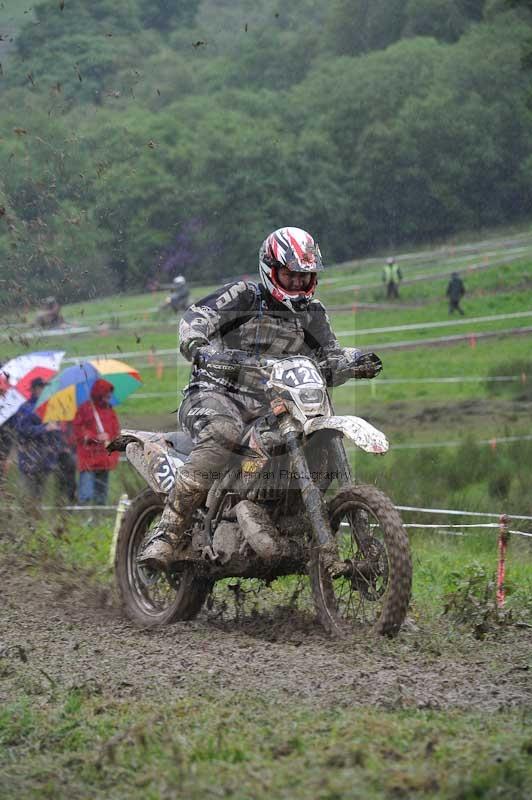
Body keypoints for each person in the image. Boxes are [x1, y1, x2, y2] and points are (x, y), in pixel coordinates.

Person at [139, 226, 383, 571]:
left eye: (305, 276)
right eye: (290, 274)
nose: (298, 283)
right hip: (215, 394)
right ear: (270, 269)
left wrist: (352, 363)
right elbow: (195, 318)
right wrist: (198, 345)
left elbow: (328, 357)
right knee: (223, 433)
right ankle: (166, 533)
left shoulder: (314, 314)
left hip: (275, 405)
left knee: (319, 437)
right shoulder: (243, 297)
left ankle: (289, 520)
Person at [12, 377, 62, 500]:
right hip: (29, 459)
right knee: (28, 497)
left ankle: (37, 517)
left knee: (41, 496)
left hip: (47, 460)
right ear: (34, 389)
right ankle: (27, 517)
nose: (44, 390)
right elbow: (22, 430)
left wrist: (57, 445)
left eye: (46, 387)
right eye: (41, 387)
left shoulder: (51, 407)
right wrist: (43, 428)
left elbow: (56, 433)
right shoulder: (25, 408)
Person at [73, 379, 120, 505]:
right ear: (99, 394)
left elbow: (115, 431)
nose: (108, 398)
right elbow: (78, 432)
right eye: (106, 396)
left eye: (109, 396)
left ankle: (99, 520)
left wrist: (109, 437)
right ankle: (83, 519)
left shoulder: (110, 411)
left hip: (104, 458)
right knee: (86, 494)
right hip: (89, 458)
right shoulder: (85, 409)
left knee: (101, 496)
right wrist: (95, 437)